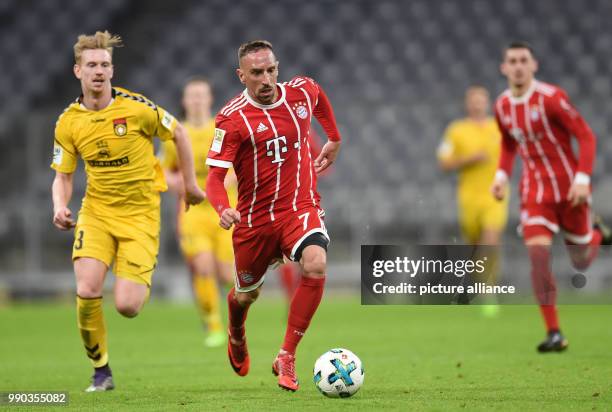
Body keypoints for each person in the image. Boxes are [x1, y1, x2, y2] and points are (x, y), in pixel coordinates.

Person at [51, 31, 204, 392]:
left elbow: (178, 132)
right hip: (97, 213)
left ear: (112, 70)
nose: (99, 71)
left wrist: (191, 184)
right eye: (91, 65)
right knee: (87, 288)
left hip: (140, 216)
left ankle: (137, 278)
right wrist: (59, 205)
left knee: (128, 306)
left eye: (104, 65)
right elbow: (62, 176)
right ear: (78, 71)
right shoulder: (68, 122)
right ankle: (101, 371)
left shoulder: (137, 108)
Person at [205, 40, 341, 391]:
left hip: (299, 208)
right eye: (256, 73)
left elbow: (319, 96)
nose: (266, 79)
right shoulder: (232, 119)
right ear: (241, 76)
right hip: (254, 222)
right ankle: (236, 331)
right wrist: (223, 208)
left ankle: (287, 355)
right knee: (246, 295)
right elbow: (214, 179)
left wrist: (334, 137)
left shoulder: (300, 93)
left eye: (271, 70)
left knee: (315, 263)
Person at [490, 41, 610, 352]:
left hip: (570, 189)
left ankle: (596, 234)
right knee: (538, 256)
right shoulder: (502, 105)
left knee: (581, 260)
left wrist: (583, 180)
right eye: (512, 61)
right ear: (504, 68)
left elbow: (585, 135)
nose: (517, 66)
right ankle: (554, 332)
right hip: (534, 192)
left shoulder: (551, 99)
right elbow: (507, 144)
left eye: (523, 60)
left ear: (534, 65)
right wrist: (501, 176)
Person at [160, 77, 237, 347]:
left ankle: (236, 320)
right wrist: (176, 184)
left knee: (227, 274)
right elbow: (162, 170)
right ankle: (214, 326)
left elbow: (240, 161)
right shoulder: (175, 135)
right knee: (202, 267)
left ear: (210, 98)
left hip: (225, 210)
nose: (196, 100)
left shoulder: (222, 128)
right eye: (191, 95)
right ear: (184, 101)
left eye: (201, 95)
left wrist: (233, 176)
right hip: (192, 212)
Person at [437, 86, 508, 313]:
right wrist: (470, 159)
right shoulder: (456, 130)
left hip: (494, 196)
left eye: (481, 100)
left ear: (487, 103)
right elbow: (444, 163)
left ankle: (489, 292)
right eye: (473, 100)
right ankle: (479, 285)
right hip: (468, 198)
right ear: (467, 104)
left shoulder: (499, 128)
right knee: (476, 246)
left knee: (490, 240)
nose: (477, 104)